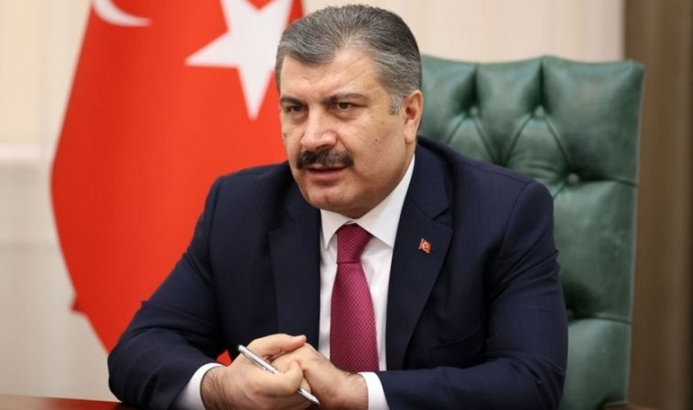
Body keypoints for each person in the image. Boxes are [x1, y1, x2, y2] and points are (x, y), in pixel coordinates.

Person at [108, 4, 568, 410]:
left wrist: (356, 393)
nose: (312, 138)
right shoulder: (240, 207)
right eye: (295, 109)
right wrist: (222, 388)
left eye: (343, 106)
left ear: (409, 114)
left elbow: (531, 382)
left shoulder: (502, 212)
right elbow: (139, 349)